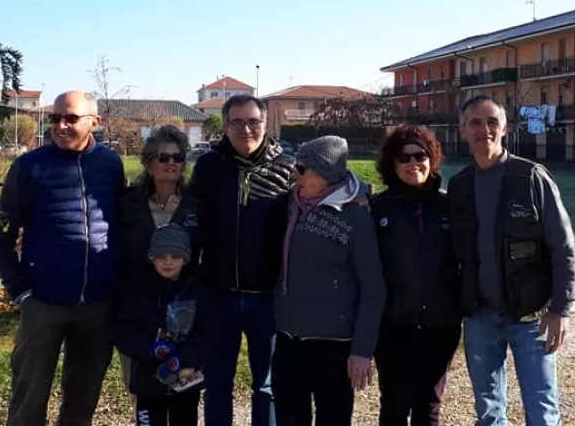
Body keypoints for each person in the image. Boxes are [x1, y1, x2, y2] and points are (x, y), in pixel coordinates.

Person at [0, 90, 126, 426]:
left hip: (98, 304)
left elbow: (119, 223)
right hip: (44, 302)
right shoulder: (28, 167)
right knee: (28, 398)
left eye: (70, 119)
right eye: (54, 119)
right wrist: (21, 290)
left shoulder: (110, 164)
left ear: (95, 122)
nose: (60, 126)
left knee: (83, 398)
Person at [447, 95, 575, 426]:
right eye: (475, 123)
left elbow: (562, 247)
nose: (484, 130)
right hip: (480, 316)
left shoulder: (531, 177)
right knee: (488, 411)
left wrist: (560, 309)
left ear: (505, 128)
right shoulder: (460, 185)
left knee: (542, 409)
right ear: (463, 130)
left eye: (492, 122)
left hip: (530, 316)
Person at [188, 95, 296, 426]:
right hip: (218, 294)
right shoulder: (208, 167)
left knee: (267, 386)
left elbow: (326, 189)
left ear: (266, 124)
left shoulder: (289, 167)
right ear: (225, 125)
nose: (245, 129)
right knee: (217, 382)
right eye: (236, 122)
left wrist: (361, 191)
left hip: (268, 297)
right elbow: (192, 219)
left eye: (253, 122)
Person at [272, 135, 386, 426]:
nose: (294, 175)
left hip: (334, 345)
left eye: (301, 169)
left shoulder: (356, 217)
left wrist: (362, 350)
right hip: (288, 339)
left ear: (324, 173)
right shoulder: (292, 205)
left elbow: (373, 288)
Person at [369, 126, 462, 426]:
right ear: (392, 165)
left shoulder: (448, 207)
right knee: (394, 404)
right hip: (394, 324)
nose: (413, 164)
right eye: (404, 158)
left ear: (431, 160)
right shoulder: (376, 209)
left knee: (428, 405)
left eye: (420, 156)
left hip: (440, 324)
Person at [115, 125, 202, 411]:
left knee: (182, 388)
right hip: (138, 307)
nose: (171, 164)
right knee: (141, 388)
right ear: (149, 162)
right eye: (163, 158)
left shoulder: (196, 205)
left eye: (178, 158)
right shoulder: (127, 204)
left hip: (183, 308)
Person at [114, 225, 211, 426]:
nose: (168, 262)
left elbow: (207, 334)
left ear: (186, 258)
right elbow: (124, 333)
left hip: (185, 379)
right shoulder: (137, 289)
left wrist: (182, 358)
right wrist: (150, 348)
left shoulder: (197, 289)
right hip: (147, 380)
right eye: (161, 256)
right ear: (151, 257)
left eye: (175, 256)